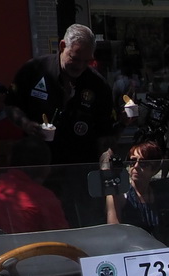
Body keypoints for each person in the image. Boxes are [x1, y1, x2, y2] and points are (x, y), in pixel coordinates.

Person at [12, 24, 119, 169]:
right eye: (75, 59)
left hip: (79, 169)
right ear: (62, 46)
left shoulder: (98, 85)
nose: (80, 66)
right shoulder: (34, 70)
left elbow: (104, 134)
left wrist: (105, 169)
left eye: (87, 61)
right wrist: (25, 123)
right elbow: (11, 105)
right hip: (38, 166)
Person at [103, 140, 164, 231]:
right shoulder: (119, 194)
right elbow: (114, 230)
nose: (136, 166)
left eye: (143, 163)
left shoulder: (160, 194)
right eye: (132, 161)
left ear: (154, 169)